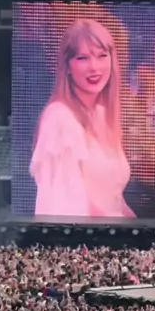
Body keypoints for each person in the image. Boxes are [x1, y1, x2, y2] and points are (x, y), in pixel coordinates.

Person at [30, 18, 134, 218]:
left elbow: (114, 201)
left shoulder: (103, 115)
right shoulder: (59, 119)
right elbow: (65, 210)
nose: (94, 67)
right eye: (82, 58)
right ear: (68, 67)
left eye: (101, 56)